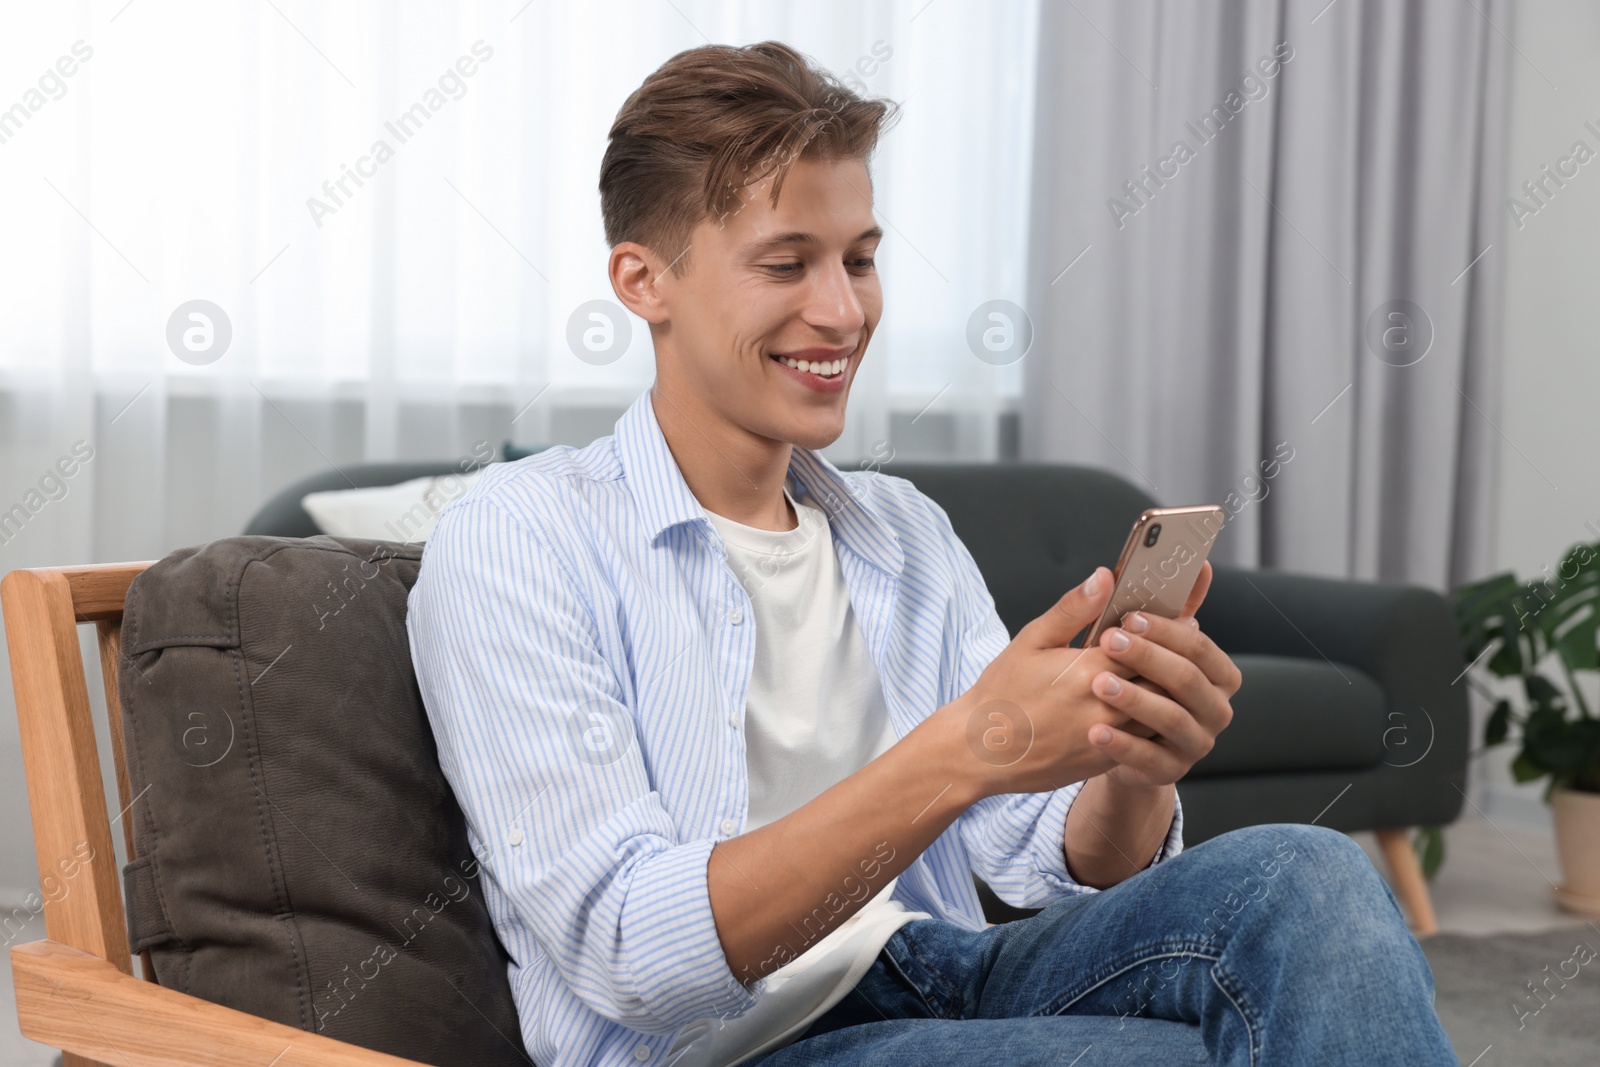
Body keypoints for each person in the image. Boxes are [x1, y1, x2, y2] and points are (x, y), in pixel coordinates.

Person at [406, 40, 1457, 1067]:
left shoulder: (900, 529)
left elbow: (1049, 860)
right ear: (643, 281)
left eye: (860, 258)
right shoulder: (519, 534)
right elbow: (632, 949)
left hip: (944, 968)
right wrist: (967, 745)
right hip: (733, 1039)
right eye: (787, 263)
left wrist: (1134, 766)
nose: (843, 309)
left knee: (1306, 876)